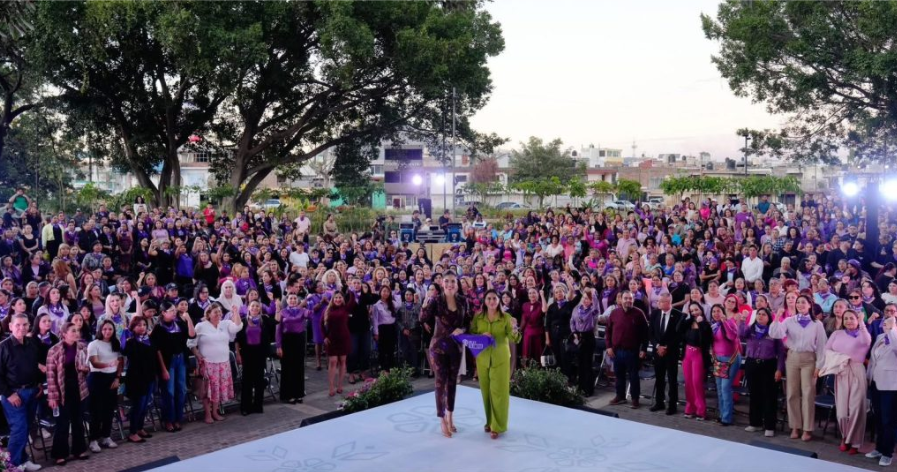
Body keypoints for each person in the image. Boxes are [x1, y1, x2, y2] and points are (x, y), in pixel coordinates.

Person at [769, 294, 828, 441]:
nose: (800, 305)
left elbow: (822, 346)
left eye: (803, 302)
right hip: (793, 357)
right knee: (792, 393)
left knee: (808, 394)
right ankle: (795, 426)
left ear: (810, 305)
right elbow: (775, 333)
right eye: (798, 303)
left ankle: (807, 429)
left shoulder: (817, 324)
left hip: (809, 359)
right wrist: (777, 317)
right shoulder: (789, 321)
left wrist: (819, 366)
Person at [420, 272, 471, 438]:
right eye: (447, 281)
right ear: (442, 283)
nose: (450, 284)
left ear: (457, 284)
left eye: (453, 281)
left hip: (456, 347)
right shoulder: (436, 300)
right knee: (440, 382)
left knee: (452, 383)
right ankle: (441, 418)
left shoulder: (463, 301)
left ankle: (450, 416)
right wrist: (425, 304)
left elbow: (467, 324)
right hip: (438, 347)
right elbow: (423, 318)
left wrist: (461, 330)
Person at [470, 290, 520, 439]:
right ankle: (489, 421)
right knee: (486, 392)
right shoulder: (478, 317)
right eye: (489, 298)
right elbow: (472, 336)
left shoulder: (506, 317)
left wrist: (515, 328)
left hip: (500, 359)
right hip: (483, 359)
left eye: (494, 298)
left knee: (498, 393)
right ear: (485, 301)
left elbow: (514, 338)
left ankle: (498, 426)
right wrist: (481, 336)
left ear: (499, 301)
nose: (491, 301)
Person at [822, 309, 871, 455]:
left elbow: (866, 341)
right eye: (846, 318)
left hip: (857, 371)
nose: (849, 321)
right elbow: (826, 350)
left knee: (856, 409)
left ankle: (855, 442)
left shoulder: (863, 333)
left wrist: (862, 322)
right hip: (842, 371)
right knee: (842, 411)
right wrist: (841, 359)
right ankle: (845, 437)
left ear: (857, 320)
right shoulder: (837, 334)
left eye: (852, 318)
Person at [0, 313, 43, 471]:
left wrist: (38, 384)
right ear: (10, 326)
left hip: (32, 391)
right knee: (19, 429)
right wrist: (9, 394)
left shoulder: (32, 343)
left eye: (25, 325)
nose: (21, 328)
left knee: (26, 428)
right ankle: (10, 466)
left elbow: (35, 366)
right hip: (13, 395)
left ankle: (23, 460)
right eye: (18, 325)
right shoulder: (3, 347)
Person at [189, 303, 242, 424]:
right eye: (215, 312)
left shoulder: (225, 324)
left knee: (218, 389)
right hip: (208, 363)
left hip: (223, 362)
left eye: (219, 312)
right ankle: (207, 414)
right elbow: (191, 342)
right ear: (208, 314)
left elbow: (238, 327)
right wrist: (197, 355)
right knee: (207, 390)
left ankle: (215, 412)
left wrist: (235, 312)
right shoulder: (201, 326)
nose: (218, 314)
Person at [46, 322, 90, 465]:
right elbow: (50, 376)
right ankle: (60, 454)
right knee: (62, 423)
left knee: (78, 421)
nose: (77, 333)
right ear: (64, 334)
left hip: (78, 388)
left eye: (77, 330)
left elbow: (87, 367)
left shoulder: (83, 347)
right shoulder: (54, 350)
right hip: (61, 390)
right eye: (73, 331)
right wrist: (52, 396)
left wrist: (85, 369)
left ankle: (79, 450)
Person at [737, 307, 785, 437]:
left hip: (768, 365)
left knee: (769, 396)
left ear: (769, 317)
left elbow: (781, 352)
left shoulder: (773, 331)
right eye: (759, 314)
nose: (760, 316)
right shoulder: (750, 329)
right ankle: (755, 423)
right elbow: (741, 334)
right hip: (752, 364)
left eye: (764, 314)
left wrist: (779, 369)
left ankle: (769, 425)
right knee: (754, 394)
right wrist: (742, 320)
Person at [151, 301, 194, 432]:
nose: (174, 312)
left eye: (175, 310)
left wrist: (188, 319)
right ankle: (168, 420)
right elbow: (156, 350)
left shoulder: (179, 324)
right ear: (163, 313)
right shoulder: (158, 328)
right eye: (171, 311)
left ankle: (177, 418)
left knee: (181, 390)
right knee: (168, 392)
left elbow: (192, 335)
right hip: (167, 362)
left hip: (180, 359)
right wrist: (163, 369)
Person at [606, 290, 649, 409]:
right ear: (620, 300)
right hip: (616, 351)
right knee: (619, 375)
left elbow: (646, 334)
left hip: (632, 351)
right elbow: (608, 332)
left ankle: (635, 399)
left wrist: (643, 349)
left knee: (633, 376)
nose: (628, 301)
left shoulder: (639, 313)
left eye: (630, 298)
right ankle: (620, 396)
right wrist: (609, 346)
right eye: (625, 298)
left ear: (633, 300)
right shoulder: (614, 313)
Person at [87, 319, 123, 453]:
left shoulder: (116, 343)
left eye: (110, 329)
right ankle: (93, 440)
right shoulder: (93, 344)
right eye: (105, 329)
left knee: (109, 409)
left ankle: (106, 436)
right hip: (97, 378)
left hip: (112, 378)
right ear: (100, 330)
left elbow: (120, 361)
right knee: (96, 411)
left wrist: (118, 377)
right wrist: (108, 365)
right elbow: (94, 363)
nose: (107, 331)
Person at [866, 315, 897, 467]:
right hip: (876, 382)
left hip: (891, 386)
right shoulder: (879, 336)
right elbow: (873, 360)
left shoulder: (894, 337)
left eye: (889, 324)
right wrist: (868, 376)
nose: (886, 326)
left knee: (888, 421)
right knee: (878, 418)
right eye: (885, 323)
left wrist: (893, 330)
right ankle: (879, 448)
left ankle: (887, 452)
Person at [122, 317, 158, 444]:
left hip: (149, 376)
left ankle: (140, 428)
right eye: (138, 325)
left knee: (145, 405)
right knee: (138, 405)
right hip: (137, 378)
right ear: (133, 327)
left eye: (144, 324)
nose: (142, 327)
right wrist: (125, 336)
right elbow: (125, 351)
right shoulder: (131, 341)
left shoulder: (150, 340)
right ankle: (132, 432)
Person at [236, 300, 275, 415]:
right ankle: (245, 407)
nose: (255, 308)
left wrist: (276, 306)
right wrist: (238, 354)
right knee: (247, 381)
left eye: (257, 306)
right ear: (248, 308)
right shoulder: (243, 322)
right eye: (252, 306)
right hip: (247, 354)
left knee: (259, 381)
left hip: (260, 354)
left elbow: (277, 321)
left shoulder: (264, 320)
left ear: (260, 308)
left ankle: (258, 406)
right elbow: (237, 340)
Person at [648, 292, 683, 415]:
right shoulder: (655, 313)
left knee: (672, 379)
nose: (659, 303)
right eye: (658, 301)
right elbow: (651, 333)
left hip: (671, 352)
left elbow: (679, 336)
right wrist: (658, 346)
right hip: (658, 352)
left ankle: (672, 405)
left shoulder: (678, 315)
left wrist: (666, 347)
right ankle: (659, 402)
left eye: (661, 301)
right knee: (659, 378)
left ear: (669, 302)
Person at [679, 302, 712, 421]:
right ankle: (690, 408)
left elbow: (707, 338)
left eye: (696, 310)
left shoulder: (705, 324)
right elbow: (678, 329)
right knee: (688, 382)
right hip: (687, 355)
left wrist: (701, 322)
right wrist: (684, 315)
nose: (694, 312)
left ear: (701, 310)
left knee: (696, 382)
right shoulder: (688, 323)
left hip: (699, 355)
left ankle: (701, 410)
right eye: (691, 310)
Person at [276, 293, 310, 404]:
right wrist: (279, 346)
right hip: (287, 341)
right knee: (288, 368)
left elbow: (310, 315)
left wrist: (308, 304)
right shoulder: (282, 312)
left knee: (299, 367)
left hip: (299, 341)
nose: (293, 300)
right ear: (287, 300)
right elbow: (278, 330)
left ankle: (299, 394)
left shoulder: (301, 310)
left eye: (295, 298)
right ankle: (288, 394)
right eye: (291, 298)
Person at [710, 303, 740, 426]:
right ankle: (722, 414)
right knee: (719, 388)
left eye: (718, 311)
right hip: (718, 360)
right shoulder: (713, 326)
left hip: (730, 360)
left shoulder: (730, 323)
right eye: (714, 311)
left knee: (725, 388)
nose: (716, 313)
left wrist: (724, 321)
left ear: (723, 312)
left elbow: (732, 336)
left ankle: (727, 418)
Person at [323, 290, 354, 396]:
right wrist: (325, 336)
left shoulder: (345, 309)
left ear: (342, 299)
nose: (338, 299)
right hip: (332, 339)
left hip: (344, 339)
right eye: (336, 297)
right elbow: (321, 325)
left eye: (340, 297)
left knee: (342, 361)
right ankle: (331, 386)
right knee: (333, 361)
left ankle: (340, 385)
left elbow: (352, 300)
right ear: (333, 299)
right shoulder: (328, 309)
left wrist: (350, 289)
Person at [569, 287, 599, 396]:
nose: (586, 300)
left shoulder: (593, 310)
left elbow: (596, 306)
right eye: (584, 298)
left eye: (588, 299)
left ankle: (588, 389)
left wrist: (593, 294)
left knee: (587, 364)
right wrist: (574, 332)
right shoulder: (577, 308)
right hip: (578, 336)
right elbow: (572, 321)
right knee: (580, 364)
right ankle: (580, 387)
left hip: (588, 337)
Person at [372, 285, 399, 373]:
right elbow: (375, 320)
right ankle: (384, 369)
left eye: (387, 291)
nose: (385, 293)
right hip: (382, 329)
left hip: (391, 328)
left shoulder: (393, 303)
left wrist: (397, 293)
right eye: (384, 291)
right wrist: (376, 333)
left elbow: (400, 305)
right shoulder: (376, 305)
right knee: (382, 350)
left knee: (391, 350)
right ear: (380, 292)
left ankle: (391, 369)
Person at [396, 288, 422, 376]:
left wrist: (416, 303)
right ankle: (405, 369)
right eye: (406, 295)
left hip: (414, 331)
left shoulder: (418, 305)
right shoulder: (400, 306)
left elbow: (420, 318)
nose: (408, 296)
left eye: (410, 295)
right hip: (403, 332)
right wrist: (403, 329)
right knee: (404, 351)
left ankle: (414, 370)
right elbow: (398, 320)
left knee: (414, 351)